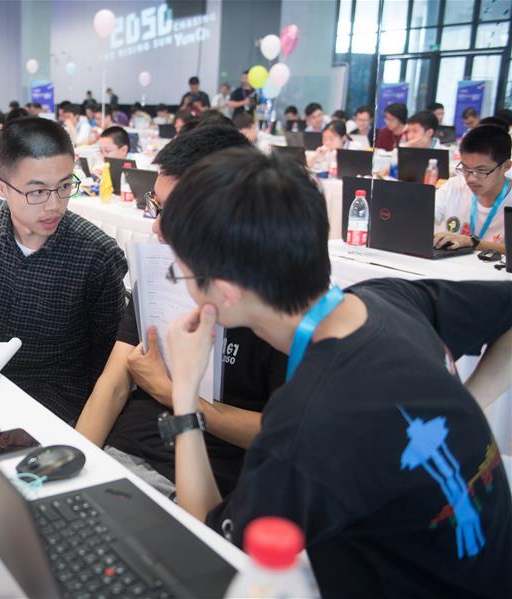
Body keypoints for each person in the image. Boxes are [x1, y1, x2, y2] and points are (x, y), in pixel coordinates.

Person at [159, 146, 512, 598]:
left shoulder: (311, 417)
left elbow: (212, 548)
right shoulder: (386, 299)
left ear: (225, 293)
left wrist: (185, 394)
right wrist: (464, 409)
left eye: (182, 275)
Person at [75, 125, 285, 497]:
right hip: (120, 457)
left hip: (202, 482)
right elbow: (112, 385)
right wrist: (75, 467)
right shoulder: (164, 271)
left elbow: (280, 433)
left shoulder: (276, 308)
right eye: (155, 206)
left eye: (174, 213)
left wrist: (171, 392)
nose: (157, 227)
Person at [0, 117, 128, 423]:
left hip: (59, 397)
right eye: (37, 192)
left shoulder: (96, 253)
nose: (54, 205)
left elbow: (108, 362)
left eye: (64, 186)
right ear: (1, 187)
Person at [434, 125, 512, 254]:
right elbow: (422, 217)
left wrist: (473, 242)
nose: (471, 179)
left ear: (506, 166)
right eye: (465, 168)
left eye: (481, 170)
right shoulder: (454, 186)